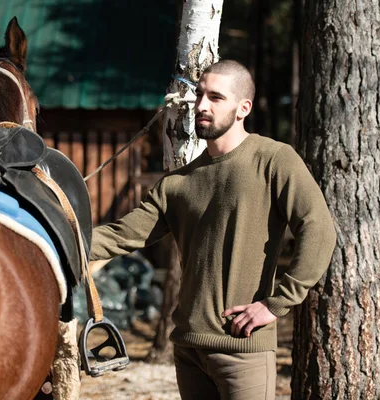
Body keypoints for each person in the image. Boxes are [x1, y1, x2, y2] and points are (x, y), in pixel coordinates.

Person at [89, 59, 337, 400]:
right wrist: (52, 237)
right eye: (200, 95)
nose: (201, 106)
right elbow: (120, 235)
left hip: (242, 349)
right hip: (188, 350)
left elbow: (319, 229)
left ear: (242, 108)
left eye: (215, 97)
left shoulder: (274, 160)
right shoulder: (177, 182)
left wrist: (277, 303)